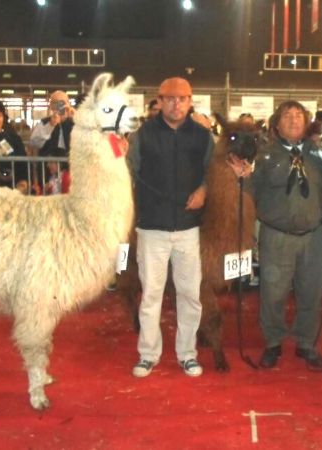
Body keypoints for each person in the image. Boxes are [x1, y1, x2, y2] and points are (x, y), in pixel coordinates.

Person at [227, 100, 322, 369]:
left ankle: (306, 343)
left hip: (313, 236)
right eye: (287, 116)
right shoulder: (264, 155)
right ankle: (273, 342)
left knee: (311, 292)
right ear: (277, 124)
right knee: (273, 293)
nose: (293, 120)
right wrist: (241, 177)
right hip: (277, 236)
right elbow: (250, 190)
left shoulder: (317, 154)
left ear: (306, 121)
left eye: (298, 115)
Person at [127, 77, 213, 378]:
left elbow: (210, 172)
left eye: (183, 98)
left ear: (191, 101)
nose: (177, 104)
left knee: (190, 294)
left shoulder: (203, 136)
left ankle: (187, 354)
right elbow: (129, 171)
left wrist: (203, 190)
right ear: (159, 100)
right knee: (151, 294)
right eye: (170, 98)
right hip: (152, 227)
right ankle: (148, 354)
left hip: (188, 229)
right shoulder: (142, 136)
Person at [29, 90, 74, 155]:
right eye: (56, 102)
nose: (60, 105)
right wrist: (50, 125)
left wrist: (77, 119)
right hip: (46, 163)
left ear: (68, 104)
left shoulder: (74, 122)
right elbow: (34, 143)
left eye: (64, 102)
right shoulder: (44, 122)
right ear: (51, 106)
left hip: (71, 163)